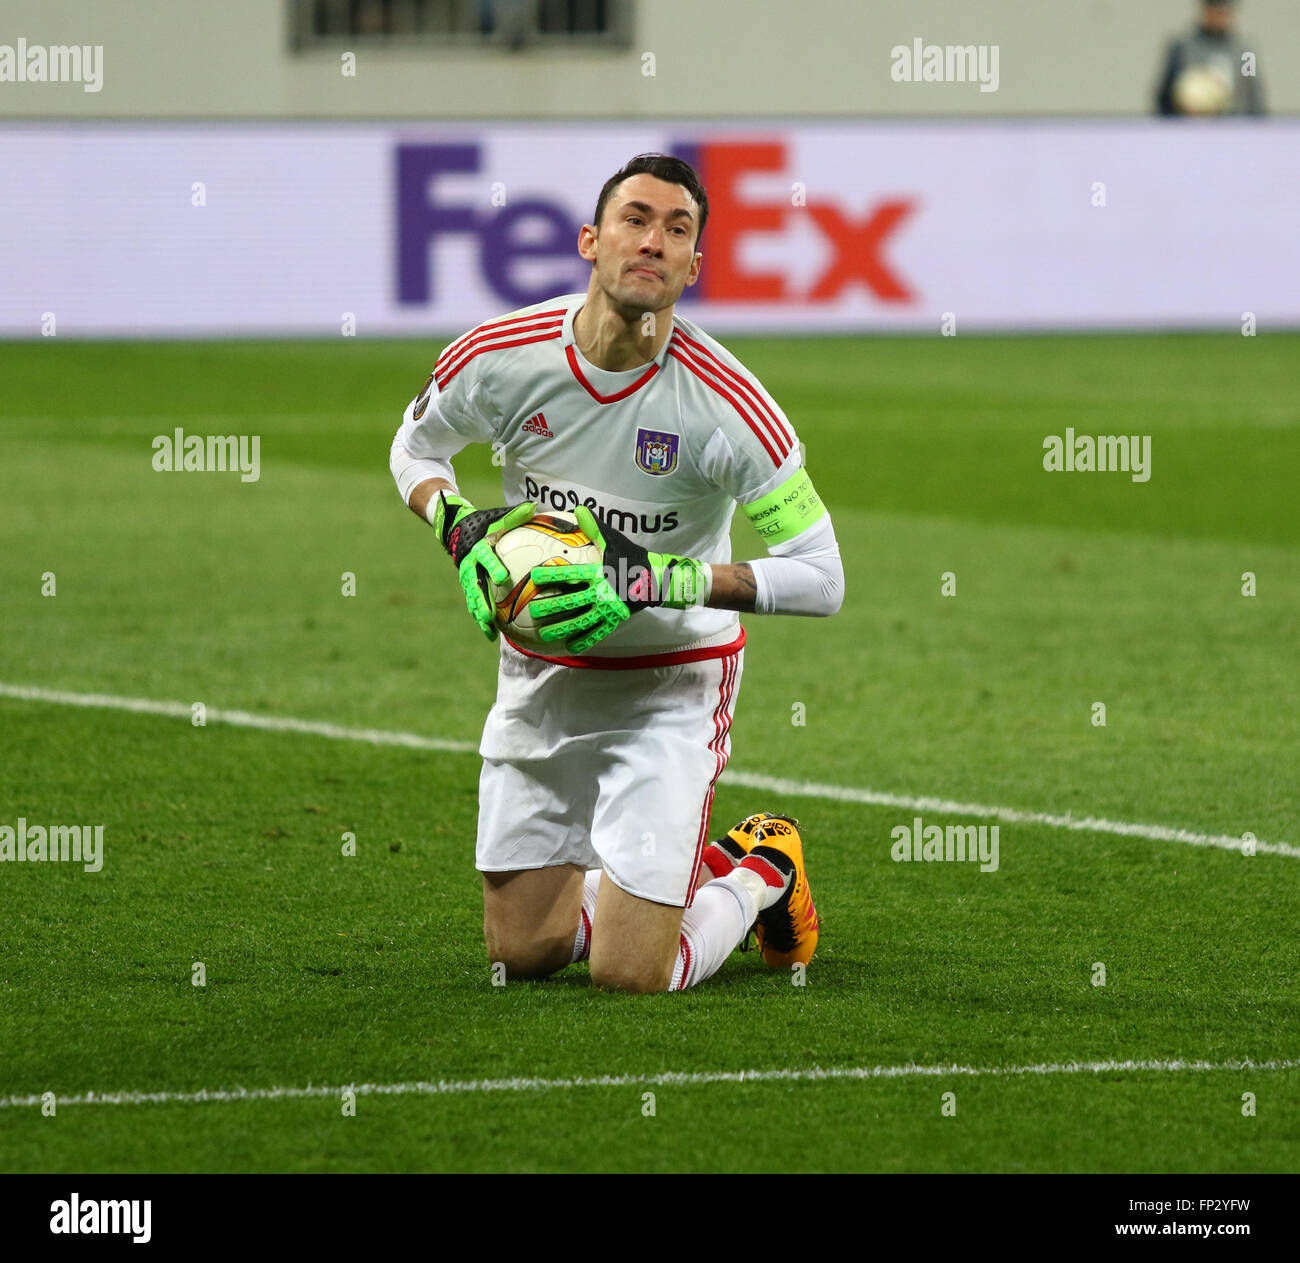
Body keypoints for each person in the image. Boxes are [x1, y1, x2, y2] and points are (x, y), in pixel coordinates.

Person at [389, 154, 843, 993]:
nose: (654, 241)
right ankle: (657, 888)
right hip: (543, 672)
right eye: (635, 219)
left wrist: (664, 579)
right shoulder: (503, 355)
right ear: (590, 241)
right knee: (521, 954)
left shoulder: (730, 409)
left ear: (694, 266)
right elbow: (416, 446)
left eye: (678, 230)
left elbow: (822, 577)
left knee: (632, 974)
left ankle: (758, 866)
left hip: (671, 681)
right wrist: (455, 522)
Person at [1155, 0, 1264, 116]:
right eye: (1213, 10)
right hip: (1190, 126)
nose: (1218, 16)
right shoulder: (1181, 49)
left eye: (1223, 11)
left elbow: (1254, 95)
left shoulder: (1246, 53)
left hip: (1233, 126)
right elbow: (1165, 95)